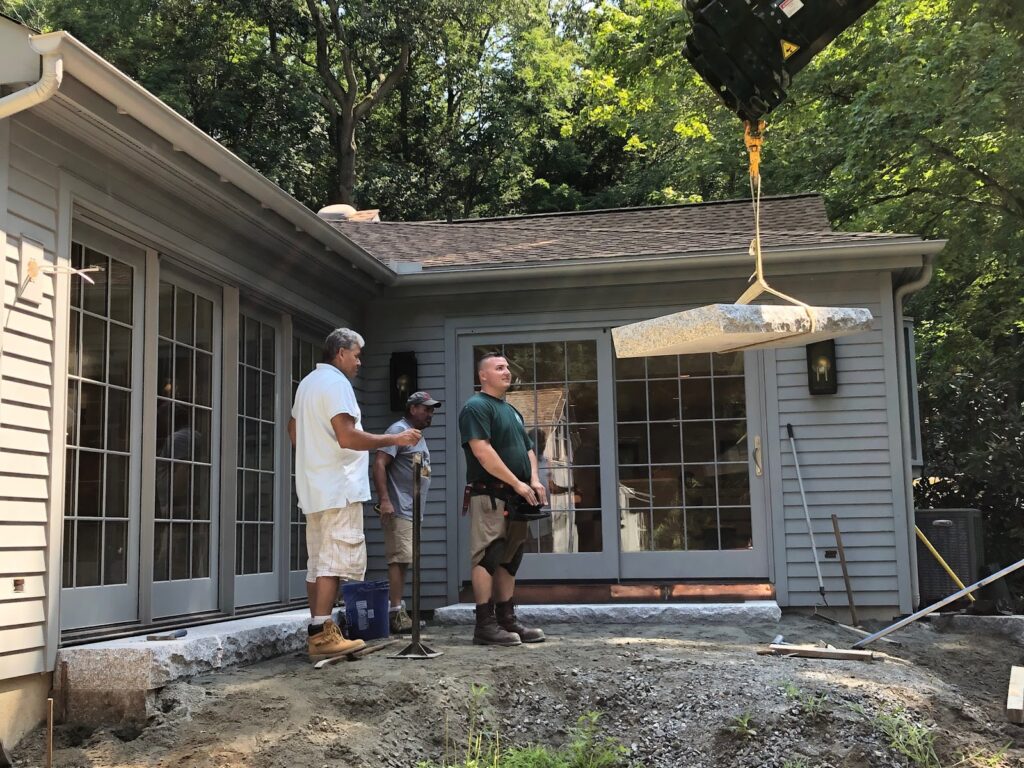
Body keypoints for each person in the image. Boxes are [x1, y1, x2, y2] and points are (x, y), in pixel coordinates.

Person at [289, 328, 421, 661]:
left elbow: (293, 431)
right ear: (340, 353)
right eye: (357, 355)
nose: (359, 362)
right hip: (340, 486)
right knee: (333, 561)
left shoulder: (308, 384)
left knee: (317, 562)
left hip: (315, 485)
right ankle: (323, 636)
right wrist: (395, 439)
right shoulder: (337, 384)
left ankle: (318, 631)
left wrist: (316, 454)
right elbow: (348, 437)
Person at [458, 352, 547, 646]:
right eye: (499, 368)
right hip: (491, 494)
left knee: (510, 557)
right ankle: (484, 625)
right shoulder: (476, 407)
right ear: (483, 376)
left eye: (507, 367)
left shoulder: (511, 410)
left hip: (516, 495)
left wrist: (533, 481)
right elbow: (482, 451)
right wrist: (516, 483)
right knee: (488, 555)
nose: (507, 371)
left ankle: (507, 620)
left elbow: (528, 449)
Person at [372, 391, 440, 634]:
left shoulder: (417, 436)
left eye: (432, 410)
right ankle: (395, 613)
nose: (430, 414)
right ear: (412, 409)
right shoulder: (398, 431)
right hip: (399, 507)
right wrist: (385, 500)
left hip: (413, 510)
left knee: (405, 560)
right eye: (426, 409)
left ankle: (398, 611)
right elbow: (379, 463)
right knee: (398, 560)